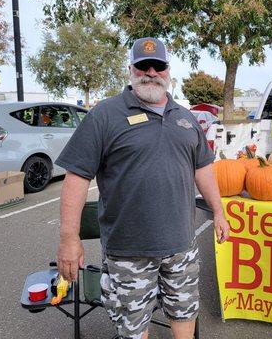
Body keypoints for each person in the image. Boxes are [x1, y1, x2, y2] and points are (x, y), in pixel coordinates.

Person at [55, 37, 230, 339]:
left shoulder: (185, 118)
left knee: (185, 312)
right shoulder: (105, 115)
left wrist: (218, 211)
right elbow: (77, 177)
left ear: (168, 71)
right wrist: (69, 238)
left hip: (181, 248)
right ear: (131, 70)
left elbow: (203, 168)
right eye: (143, 65)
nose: (151, 72)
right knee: (134, 328)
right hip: (128, 252)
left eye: (158, 66)